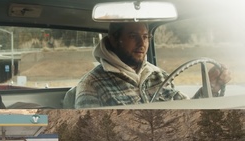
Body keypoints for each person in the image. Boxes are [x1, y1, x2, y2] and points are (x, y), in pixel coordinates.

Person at [73, 22, 231, 108]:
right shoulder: (91, 85)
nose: (142, 44)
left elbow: (186, 110)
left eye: (145, 37)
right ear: (114, 40)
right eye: (133, 36)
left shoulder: (160, 75)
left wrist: (210, 87)